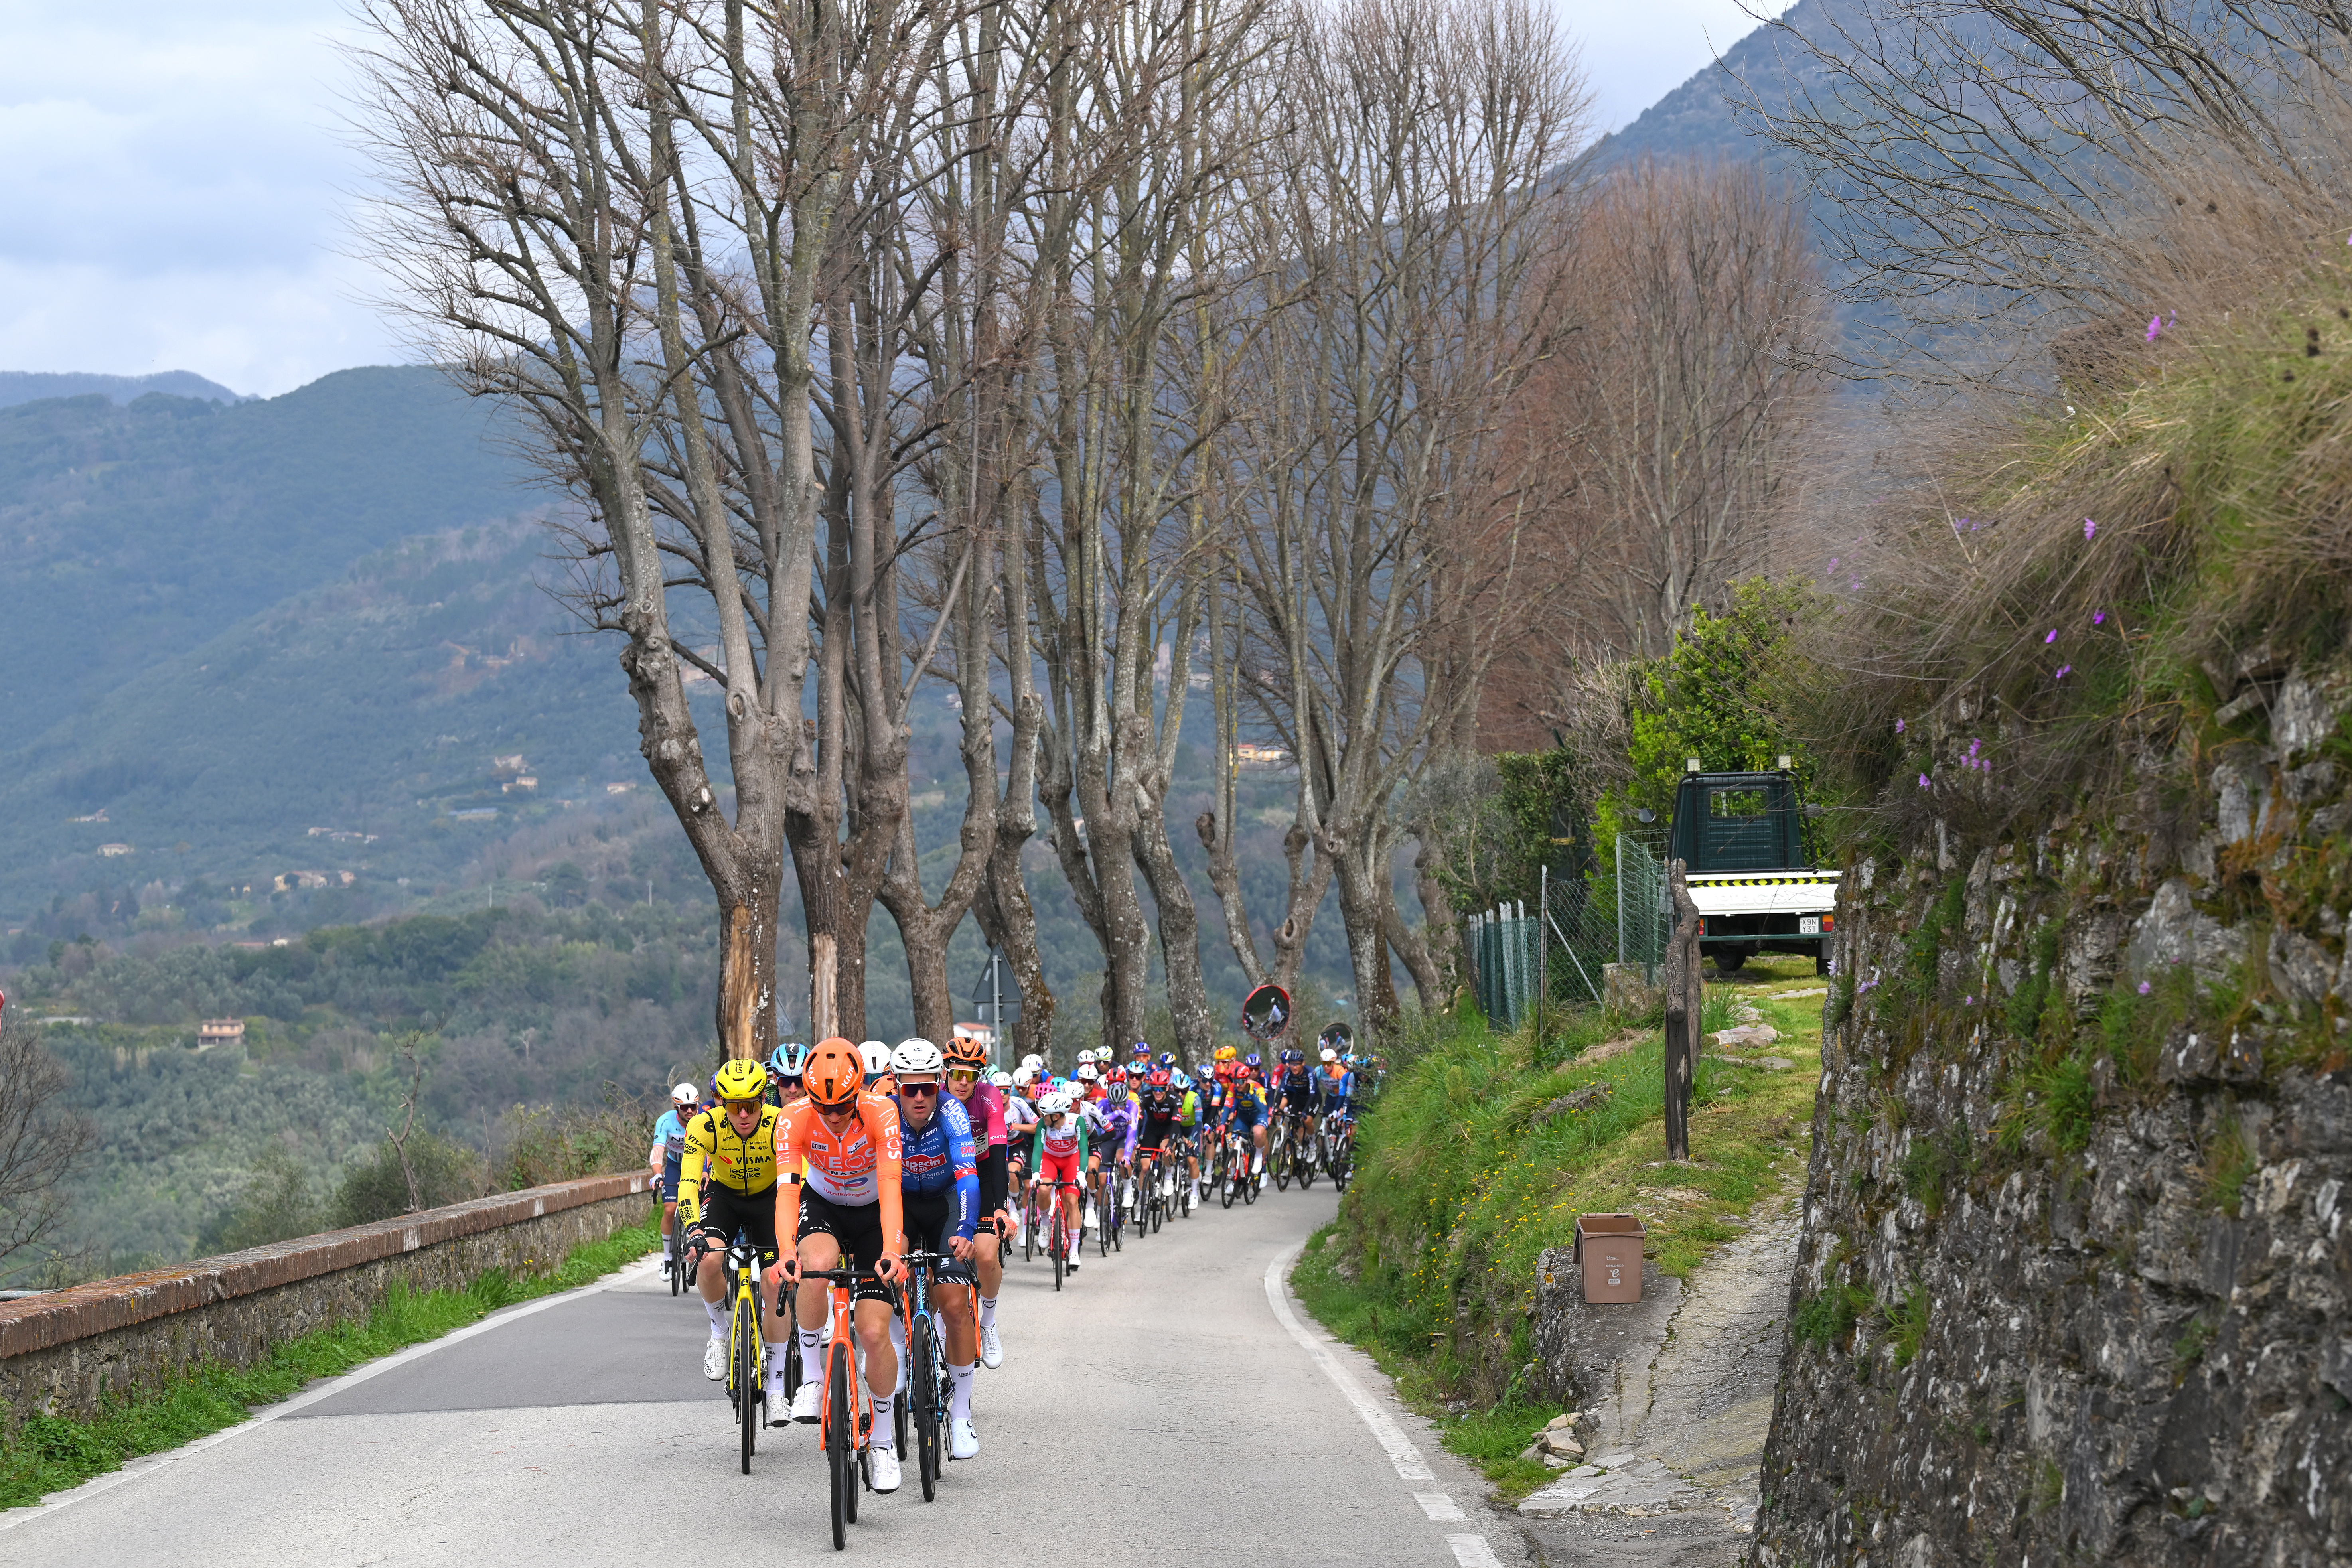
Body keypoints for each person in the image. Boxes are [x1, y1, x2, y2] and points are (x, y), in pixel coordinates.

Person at [777, 1039, 908, 1493]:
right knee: (813, 1264)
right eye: (823, 1107)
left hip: (875, 1212)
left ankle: (885, 1443)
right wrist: (784, 1250)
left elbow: (892, 1187)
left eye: (842, 1107)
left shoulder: (882, 1112)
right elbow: (788, 1193)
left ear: (858, 1095)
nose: (833, 1116)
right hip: (824, 1205)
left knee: (873, 1332)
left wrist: (892, 1248)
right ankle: (813, 1379)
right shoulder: (792, 1118)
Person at [678, 1059, 789, 1417]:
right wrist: (693, 1228)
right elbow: (688, 1183)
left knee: (776, 1281)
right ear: (719, 1103)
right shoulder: (703, 1125)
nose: (744, 1114)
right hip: (724, 1195)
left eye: (751, 1106)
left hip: (769, 1197)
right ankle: (720, 1333)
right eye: (734, 1106)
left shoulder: (778, 1123)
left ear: (763, 1099)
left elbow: (796, 1180)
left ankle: (776, 1386)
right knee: (708, 1259)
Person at [890, 1038, 982, 1460]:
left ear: (939, 1084)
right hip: (903, 1206)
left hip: (946, 1203)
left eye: (928, 1087)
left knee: (955, 1304)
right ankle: (896, 1364)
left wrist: (965, 1228)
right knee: (887, 1274)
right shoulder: (885, 1113)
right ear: (896, 1086)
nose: (921, 1097)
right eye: (911, 1088)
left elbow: (968, 1176)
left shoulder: (952, 1111)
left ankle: (961, 1415)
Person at [945, 1038, 1012, 1369]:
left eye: (970, 1076)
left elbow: (999, 1153)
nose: (962, 1081)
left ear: (978, 1078)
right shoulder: (934, 1100)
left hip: (984, 1172)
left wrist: (1000, 1206)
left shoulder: (989, 1097)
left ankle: (987, 1320)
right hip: (946, 1175)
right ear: (946, 1072)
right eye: (957, 1073)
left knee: (986, 1254)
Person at [1027, 1091, 1088, 1271]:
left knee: (1072, 1201)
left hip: (1072, 1160)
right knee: (1044, 1189)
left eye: (1045, 1115)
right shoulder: (1043, 1125)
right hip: (1050, 1159)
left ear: (1056, 1115)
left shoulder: (1077, 1122)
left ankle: (1074, 1251)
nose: (1042, 1117)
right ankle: (1045, 1221)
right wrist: (1036, 1174)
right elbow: (1038, 1149)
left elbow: (1084, 1149)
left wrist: (1082, 1175)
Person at [647, 1082, 699, 1274]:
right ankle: (668, 1257)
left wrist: (705, 1174)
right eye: (684, 1108)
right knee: (670, 1210)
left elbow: (710, 1153)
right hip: (675, 1166)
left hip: (697, 1165)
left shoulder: (702, 1120)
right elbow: (658, 1150)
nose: (689, 1111)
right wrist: (658, 1175)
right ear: (676, 1107)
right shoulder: (665, 1121)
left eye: (693, 1107)